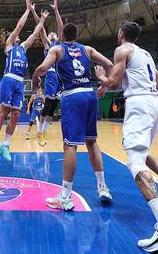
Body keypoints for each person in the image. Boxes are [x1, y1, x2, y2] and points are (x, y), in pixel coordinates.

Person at [94, 21, 158, 252]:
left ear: (121, 34)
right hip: (155, 103)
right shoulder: (145, 54)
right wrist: (144, 97)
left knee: (135, 162)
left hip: (139, 103)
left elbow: (114, 81)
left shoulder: (122, 49)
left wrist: (102, 78)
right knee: (142, 153)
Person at [32, 23, 114, 210]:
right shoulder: (87, 49)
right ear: (76, 35)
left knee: (70, 146)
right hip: (90, 94)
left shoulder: (57, 49)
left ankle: (65, 197)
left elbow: (42, 68)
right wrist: (104, 85)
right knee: (91, 142)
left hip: (72, 96)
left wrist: (36, 77)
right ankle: (103, 188)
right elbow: (109, 64)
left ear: (61, 34)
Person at [0, 0, 49, 161]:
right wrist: (28, 10)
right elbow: (19, 27)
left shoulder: (23, 49)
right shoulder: (9, 46)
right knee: (3, 111)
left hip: (19, 82)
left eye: (17, 37)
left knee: (15, 114)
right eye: (14, 36)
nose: (17, 37)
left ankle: (5, 144)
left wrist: (42, 19)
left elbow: (36, 33)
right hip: (8, 79)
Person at [32, 0, 64, 146]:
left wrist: (56, 10)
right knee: (49, 103)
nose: (52, 35)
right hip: (51, 75)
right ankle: (40, 130)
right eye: (51, 35)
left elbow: (60, 26)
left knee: (54, 106)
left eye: (54, 34)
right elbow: (42, 31)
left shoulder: (60, 44)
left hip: (62, 76)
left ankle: (43, 130)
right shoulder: (47, 47)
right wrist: (36, 14)